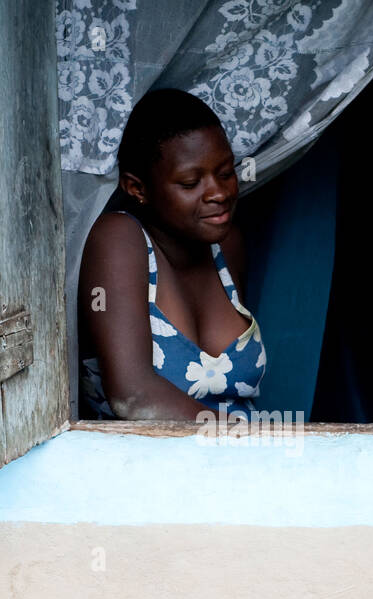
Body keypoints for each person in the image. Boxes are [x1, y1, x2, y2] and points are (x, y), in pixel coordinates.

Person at [78, 88, 267, 421]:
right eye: (191, 182)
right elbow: (132, 395)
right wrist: (253, 444)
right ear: (137, 188)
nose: (219, 193)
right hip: (156, 467)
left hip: (243, 462)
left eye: (225, 173)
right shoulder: (119, 240)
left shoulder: (226, 244)